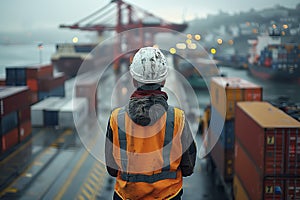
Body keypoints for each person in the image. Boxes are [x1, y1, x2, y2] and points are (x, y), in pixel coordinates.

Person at [105, 47, 196, 200]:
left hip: (127, 196)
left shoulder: (116, 118)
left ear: (134, 80)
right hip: (169, 196)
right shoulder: (178, 118)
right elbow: (188, 167)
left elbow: (112, 169)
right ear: (164, 80)